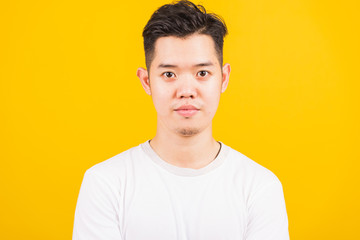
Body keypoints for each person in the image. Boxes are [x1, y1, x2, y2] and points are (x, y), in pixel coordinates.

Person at [72, 1, 289, 239]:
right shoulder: (106, 184)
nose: (186, 90)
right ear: (146, 81)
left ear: (224, 78)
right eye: (169, 74)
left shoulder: (259, 187)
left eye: (202, 73)